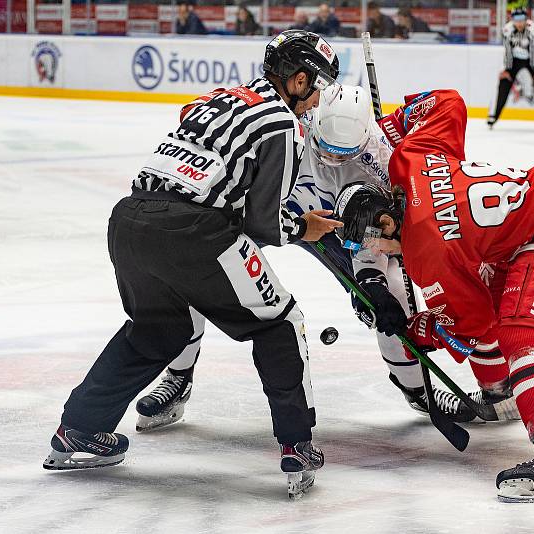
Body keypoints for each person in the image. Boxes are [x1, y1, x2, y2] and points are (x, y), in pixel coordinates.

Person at [42, 30, 341, 499]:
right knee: (280, 323)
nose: (318, 98)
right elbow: (264, 225)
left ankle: (78, 429)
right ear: (299, 80)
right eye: (317, 85)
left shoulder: (218, 98)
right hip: (193, 233)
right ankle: (297, 444)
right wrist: (306, 229)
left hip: (129, 220)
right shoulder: (283, 124)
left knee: (158, 330)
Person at [134, 84, 480, 434]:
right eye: (324, 150)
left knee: (387, 298)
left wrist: (371, 285)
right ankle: (178, 377)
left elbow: (375, 240)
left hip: (340, 229)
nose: (331, 161)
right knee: (195, 266)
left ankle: (418, 389)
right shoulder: (290, 122)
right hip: (273, 216)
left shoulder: (382, 162)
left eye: (343, 156)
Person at [337, 89, 534, 502]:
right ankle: (500, 395)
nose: (373, 252)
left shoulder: (429, 255)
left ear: (387, 221)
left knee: (521, 332)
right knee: (487, 292)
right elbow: (448, 102)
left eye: (370, 241)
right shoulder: (409, 160)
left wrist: (423, 329)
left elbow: (472, 326)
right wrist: (391, 128)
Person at [487, 8, 534, 130]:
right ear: (512, 20)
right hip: (515, 61)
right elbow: (507, 51)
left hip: (533, 61)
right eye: (516, 20)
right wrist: (507, 69)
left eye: (522, 19)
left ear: (526, 19)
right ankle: (493, 115)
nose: (519, 23)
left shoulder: (533, 29)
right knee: (503, 82)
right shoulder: (508, 30)